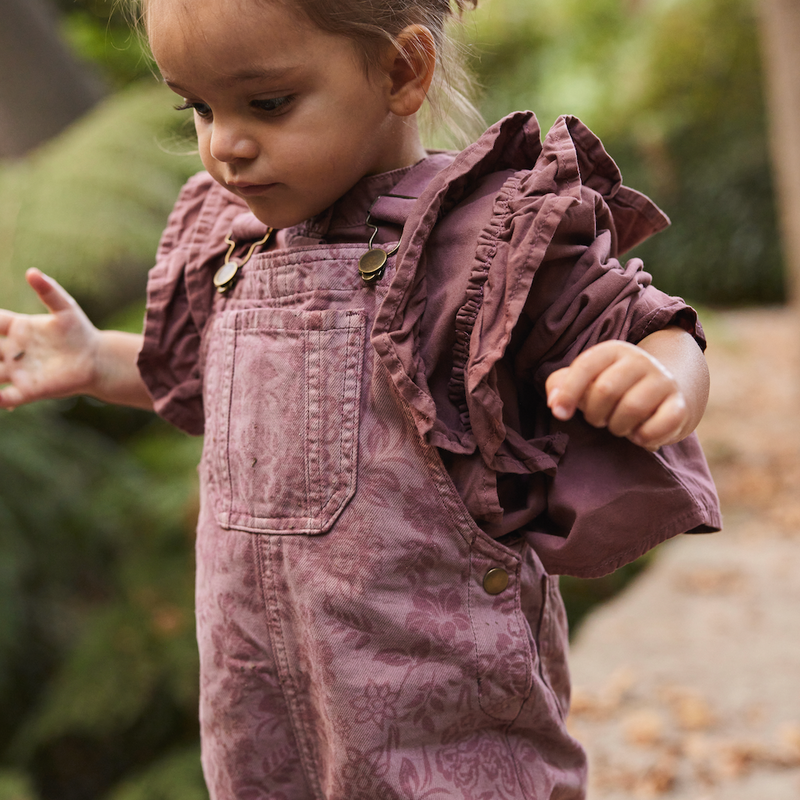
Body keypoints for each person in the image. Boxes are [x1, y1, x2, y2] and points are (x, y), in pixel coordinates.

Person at [0, 0, 721, 797]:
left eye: (267, 103)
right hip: (258, 712)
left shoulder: (480, 238)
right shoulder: (236, 244)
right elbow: (214, 382)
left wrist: (660, 376)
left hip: (437, 716)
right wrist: (96, 361)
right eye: (199, 107)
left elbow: (652, 326)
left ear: (401, 71)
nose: (226, 144)